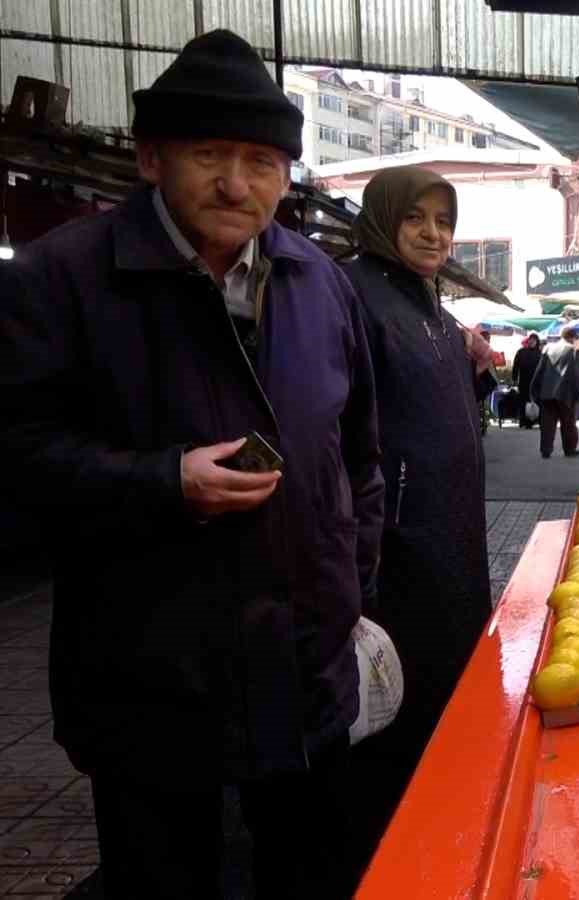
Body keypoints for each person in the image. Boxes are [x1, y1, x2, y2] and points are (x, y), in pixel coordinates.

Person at [0, 30, 381, 898]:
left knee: (309, 873)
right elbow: (15, 454)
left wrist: (350, 591)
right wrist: (163, 482)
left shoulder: (321, 283)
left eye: (261, 160)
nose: (237, 184)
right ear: (149, 159)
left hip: (304, 668)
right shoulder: (60, 280)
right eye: (209, 155)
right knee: (162, 880)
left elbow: (358, 457)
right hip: (151, 675)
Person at [338, 165, 496, 876]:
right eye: (416, 220)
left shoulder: (429, 306)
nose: (433, 234)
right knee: (395, 720)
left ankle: (438, 848)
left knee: (444, 704)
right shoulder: (355, 297)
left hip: (451, 543)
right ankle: (394, 865)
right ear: (383, 220)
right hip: (393, 554)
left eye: (443, 221)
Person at [531, 325, 579, 457]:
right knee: (568, 422)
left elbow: (539, 370)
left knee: (547, 423)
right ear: (573, 337)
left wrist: (534, 389)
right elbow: (578, 375)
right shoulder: (575, 350)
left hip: (547, 390)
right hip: (566, 392)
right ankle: (569, 449)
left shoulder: (548, 347)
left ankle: (545, 450)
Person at [511, 335, 541, 429]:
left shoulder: (540, 353)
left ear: (537, 342)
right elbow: (516, 366)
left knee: (537, 401)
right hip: (524, 381)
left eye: (534, 340)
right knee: (524, 401)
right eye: (530, 340)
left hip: (537, 382)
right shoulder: (521, 352)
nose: (532, 342)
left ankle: (537, 420)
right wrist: (514, 378)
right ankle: (525, 421)